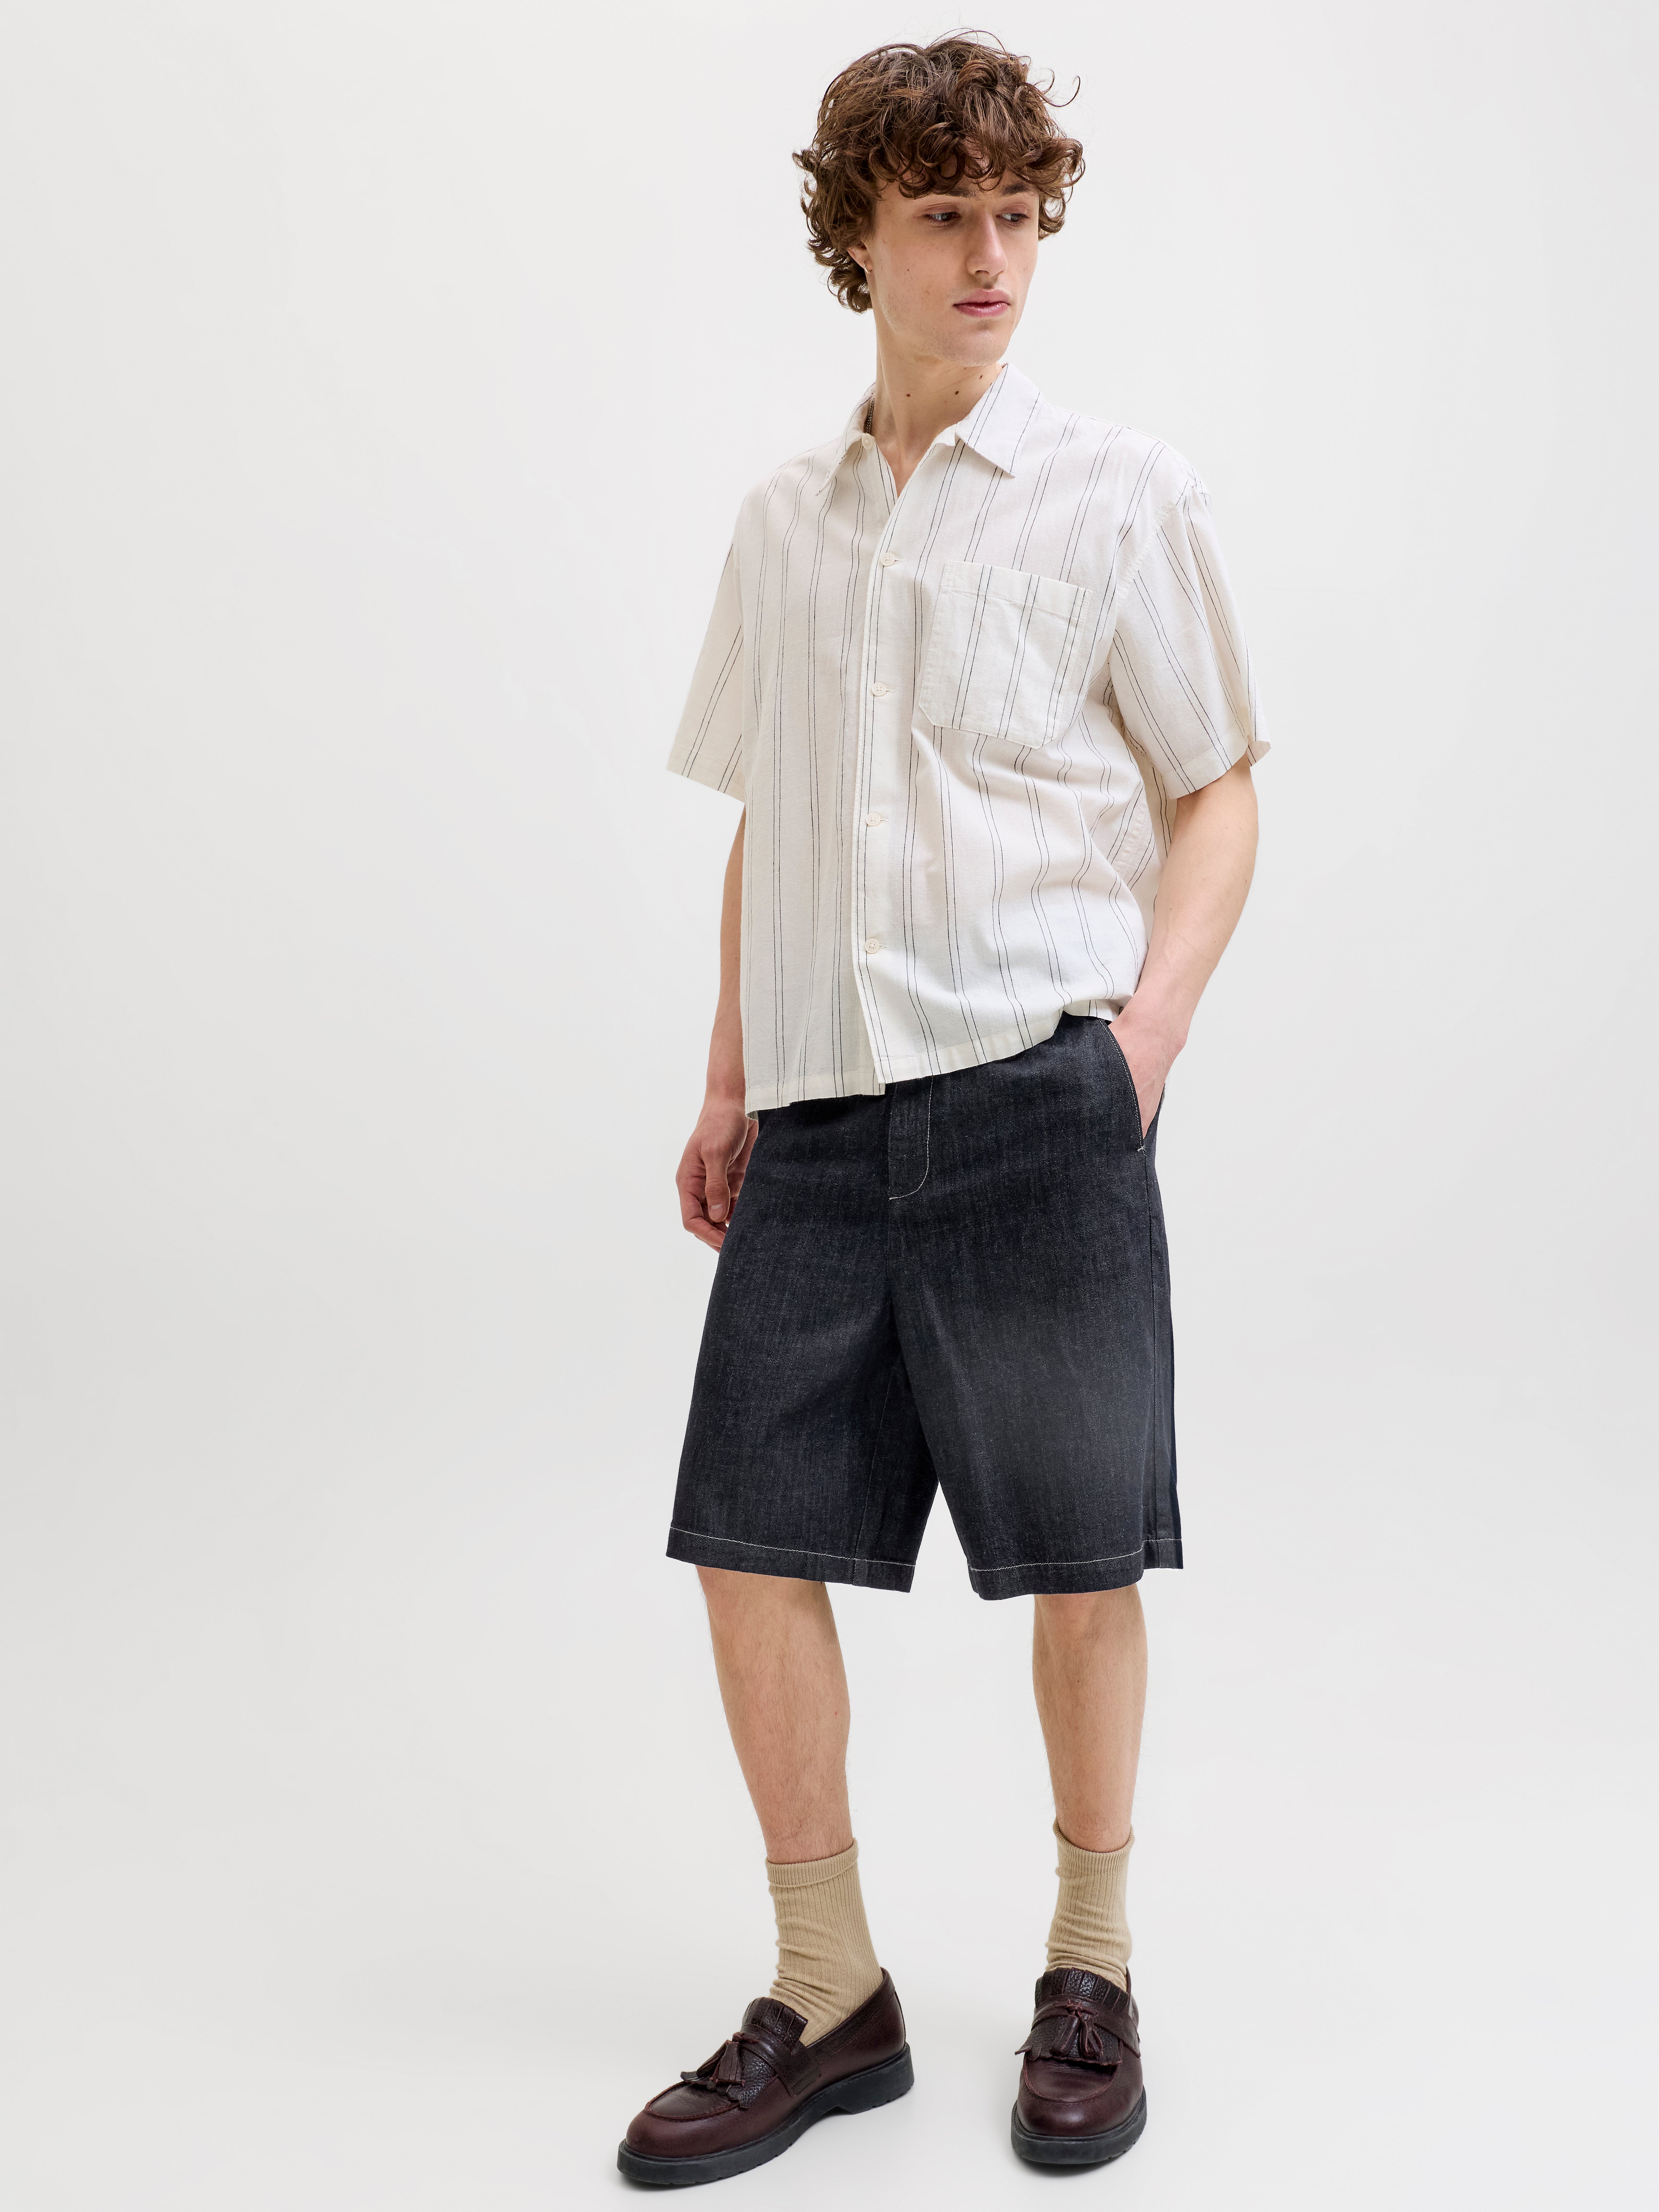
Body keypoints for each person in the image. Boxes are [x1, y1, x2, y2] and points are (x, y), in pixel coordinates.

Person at [618, 32, 1266, 2187]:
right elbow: (771, 813)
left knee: (1080, 1557)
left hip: (1035, 1100)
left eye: (1018, 215)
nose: (992, 256)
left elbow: (1220, 787)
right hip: (819, 1118)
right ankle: (831, 1991)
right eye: (943, 217)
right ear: (859, 241)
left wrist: (1142, 1044)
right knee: (746, 1545)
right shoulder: (780, 527)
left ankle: (1092, 1965)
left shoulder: (1121, 495)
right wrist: (730, 1070)